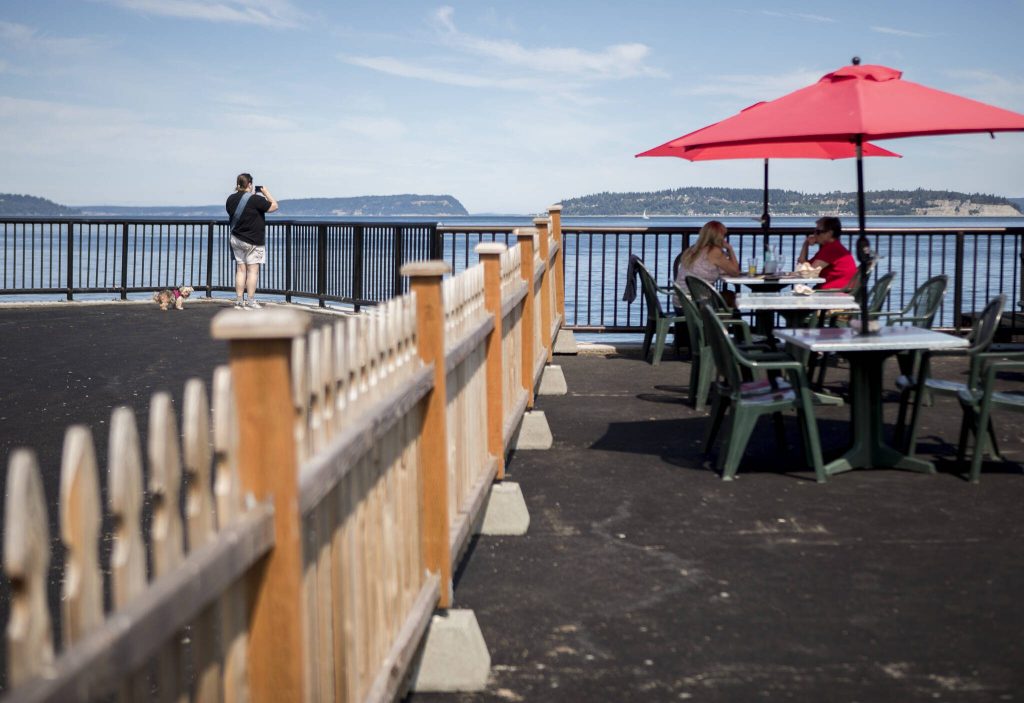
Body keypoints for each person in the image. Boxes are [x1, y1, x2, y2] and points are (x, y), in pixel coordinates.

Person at [225, 173, 278, 309]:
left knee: (241, 270)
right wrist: (266, 193)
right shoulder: (255, 199)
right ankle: (250, 300)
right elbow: (274, 206)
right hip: (253, 240)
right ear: (249, 184)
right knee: (252, 271)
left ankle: (238, 300)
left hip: (236, 239)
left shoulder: (230, 199)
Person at [674, 220, 740, 306]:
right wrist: (730, 249)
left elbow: (716, 269)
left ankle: (725, 319)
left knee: (727, 296)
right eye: (724, 235)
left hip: (680, 302)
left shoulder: (692, 250)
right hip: (695, 304)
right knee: (730, 298)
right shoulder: (714, 251)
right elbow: (735, 272)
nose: (725, 239)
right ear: (719, 237)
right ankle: (731, 319)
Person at [798, 216, 857, 290]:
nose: (814, 235)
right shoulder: (832, 247)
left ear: (829, 233)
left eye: (818, 232)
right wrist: (806, 244)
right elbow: (804, 265)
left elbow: (808, 272)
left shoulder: (832, 249)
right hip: (838, 291)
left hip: (834, 293)